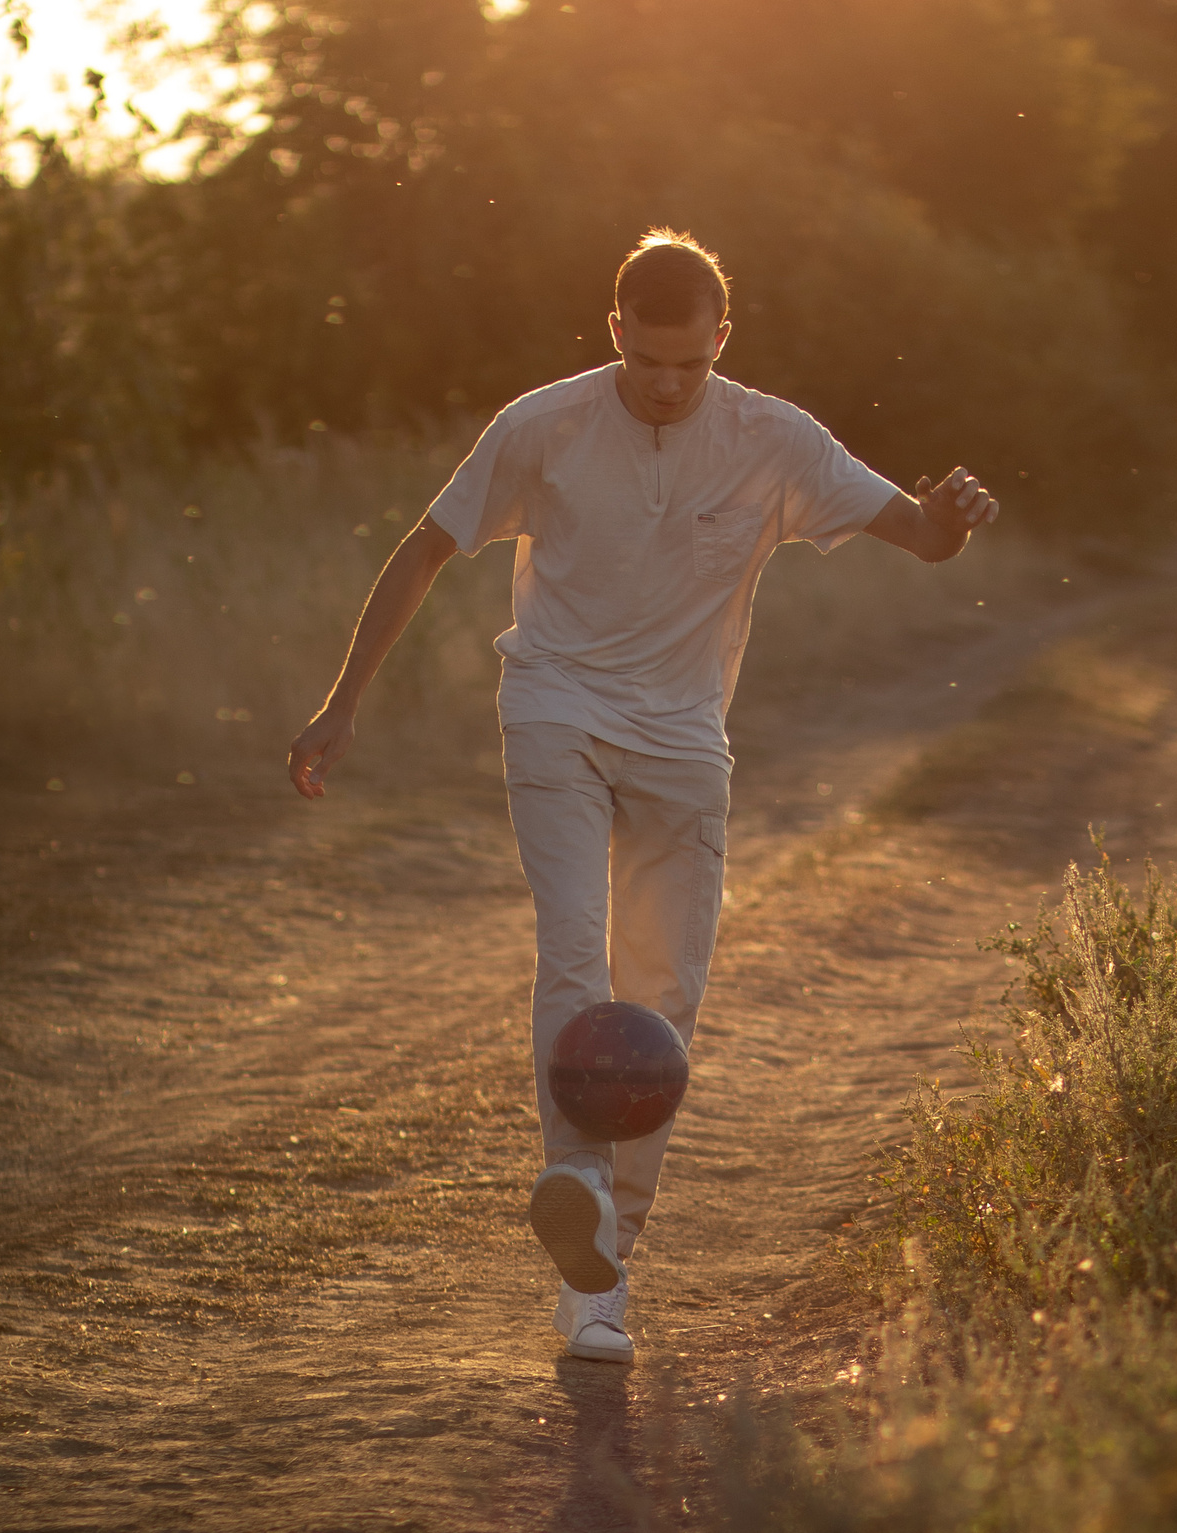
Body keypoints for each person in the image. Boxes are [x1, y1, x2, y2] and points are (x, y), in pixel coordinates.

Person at [286, 230, 999, 1364]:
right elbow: (427, 548)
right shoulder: (544, 425)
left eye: (690, 364)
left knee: (662, 1001)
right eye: (647, 360)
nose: (667, 385)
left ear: (724, 340)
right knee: (574, 953)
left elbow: (917, 538)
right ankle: (576, 1189)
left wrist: (951, 514)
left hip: (681, 736)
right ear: (613, 332)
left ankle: (602, 1266)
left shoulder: (775, 439)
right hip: (554, 704)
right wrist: (341, 704)